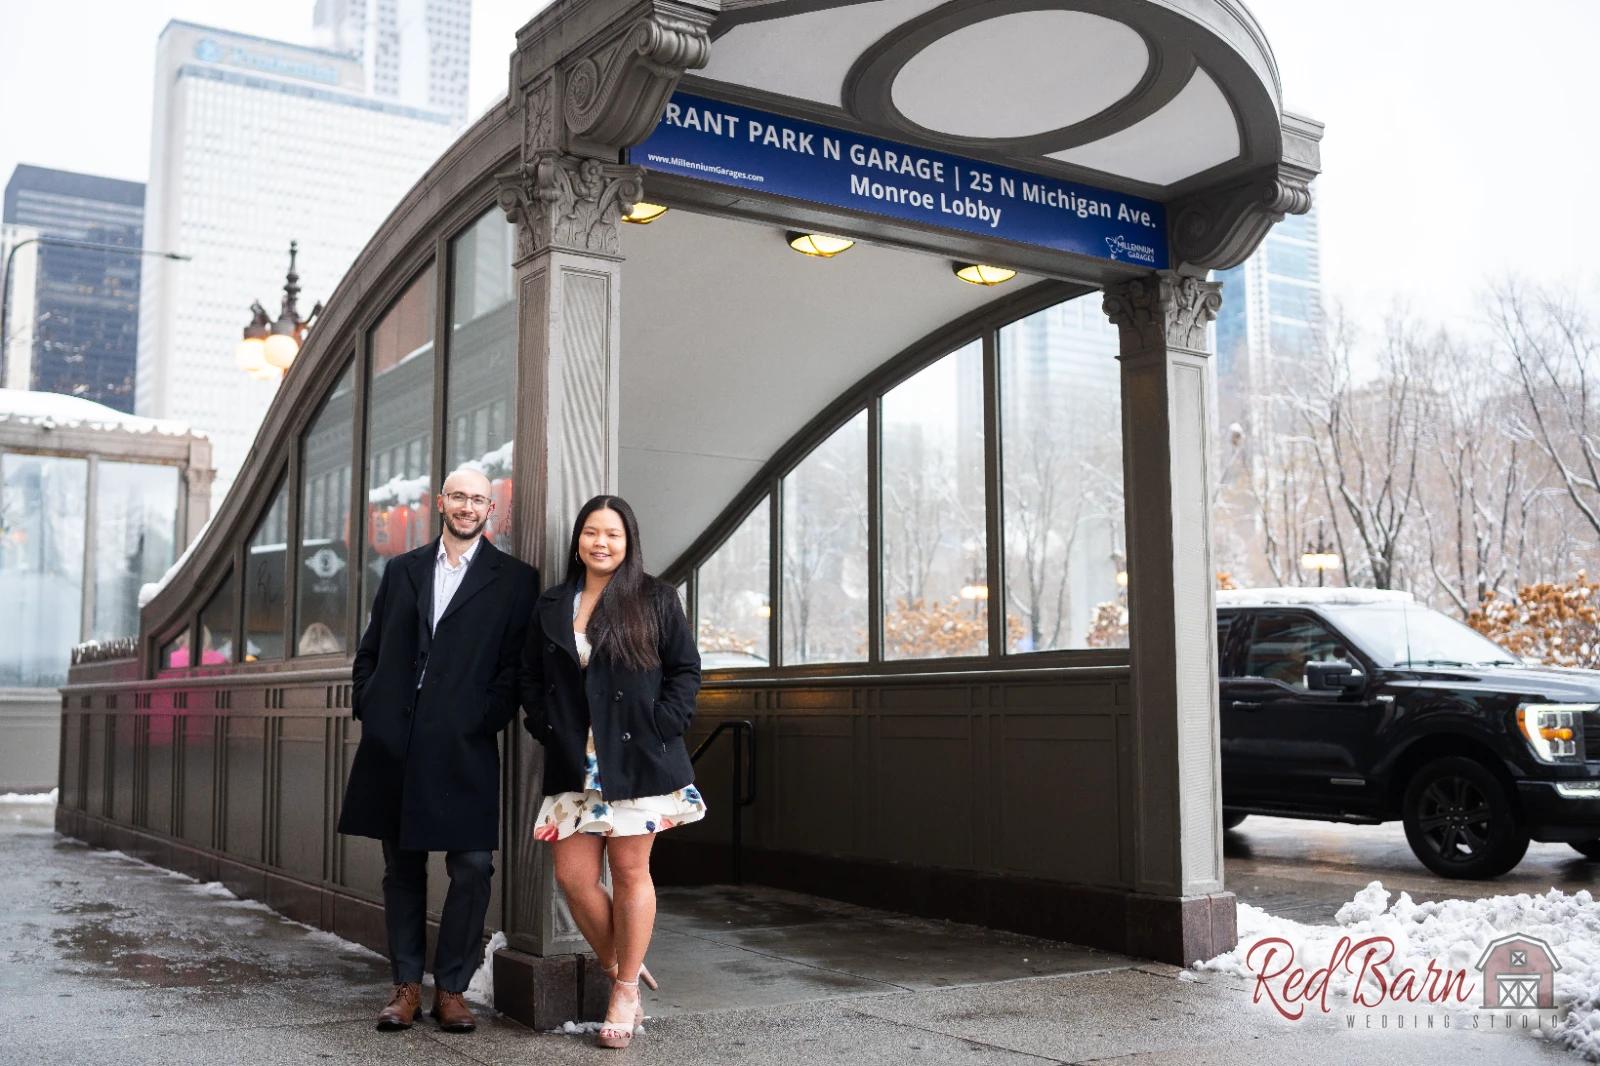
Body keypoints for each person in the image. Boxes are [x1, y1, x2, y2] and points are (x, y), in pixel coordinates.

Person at [337, 466, 538, 1033]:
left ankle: (451, 988)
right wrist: (369, 705)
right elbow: (370, 650)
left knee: (472, 866)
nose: (469, 506)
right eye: (459, 496)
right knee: (402, 867)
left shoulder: (515, 580)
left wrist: (481, 720)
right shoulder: (401, 570)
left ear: (490, 510)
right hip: (395, 743)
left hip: (463, 745)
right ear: (440, 502)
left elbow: (513, 670)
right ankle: (405, 988)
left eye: (479, 498)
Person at [520, 494, 704, 1050]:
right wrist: (545, 726)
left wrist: (663, 723)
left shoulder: (655, 597)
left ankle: (624, 990)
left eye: (613, 534)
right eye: (592, 532)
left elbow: (685, 669)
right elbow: (530, 678)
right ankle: (622, 964)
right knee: (573, 879)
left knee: (629, 875)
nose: (601, 543)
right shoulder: (552, 603)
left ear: (629, 542)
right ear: (579, 539)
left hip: (637, 759)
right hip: (575, 762)